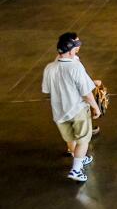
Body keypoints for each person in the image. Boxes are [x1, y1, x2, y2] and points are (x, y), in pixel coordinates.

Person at [42, 32, 102, 183]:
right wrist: (96, 107)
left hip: (59, 113)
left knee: (71, 138)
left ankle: (79, 158)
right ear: (70, 50)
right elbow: (86, 93)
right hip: (77, 110)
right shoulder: (75, 67)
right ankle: (76, 169)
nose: (78, 47)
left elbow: (47, 90)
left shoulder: (49, 68)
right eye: (76, 45)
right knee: (83, 140)